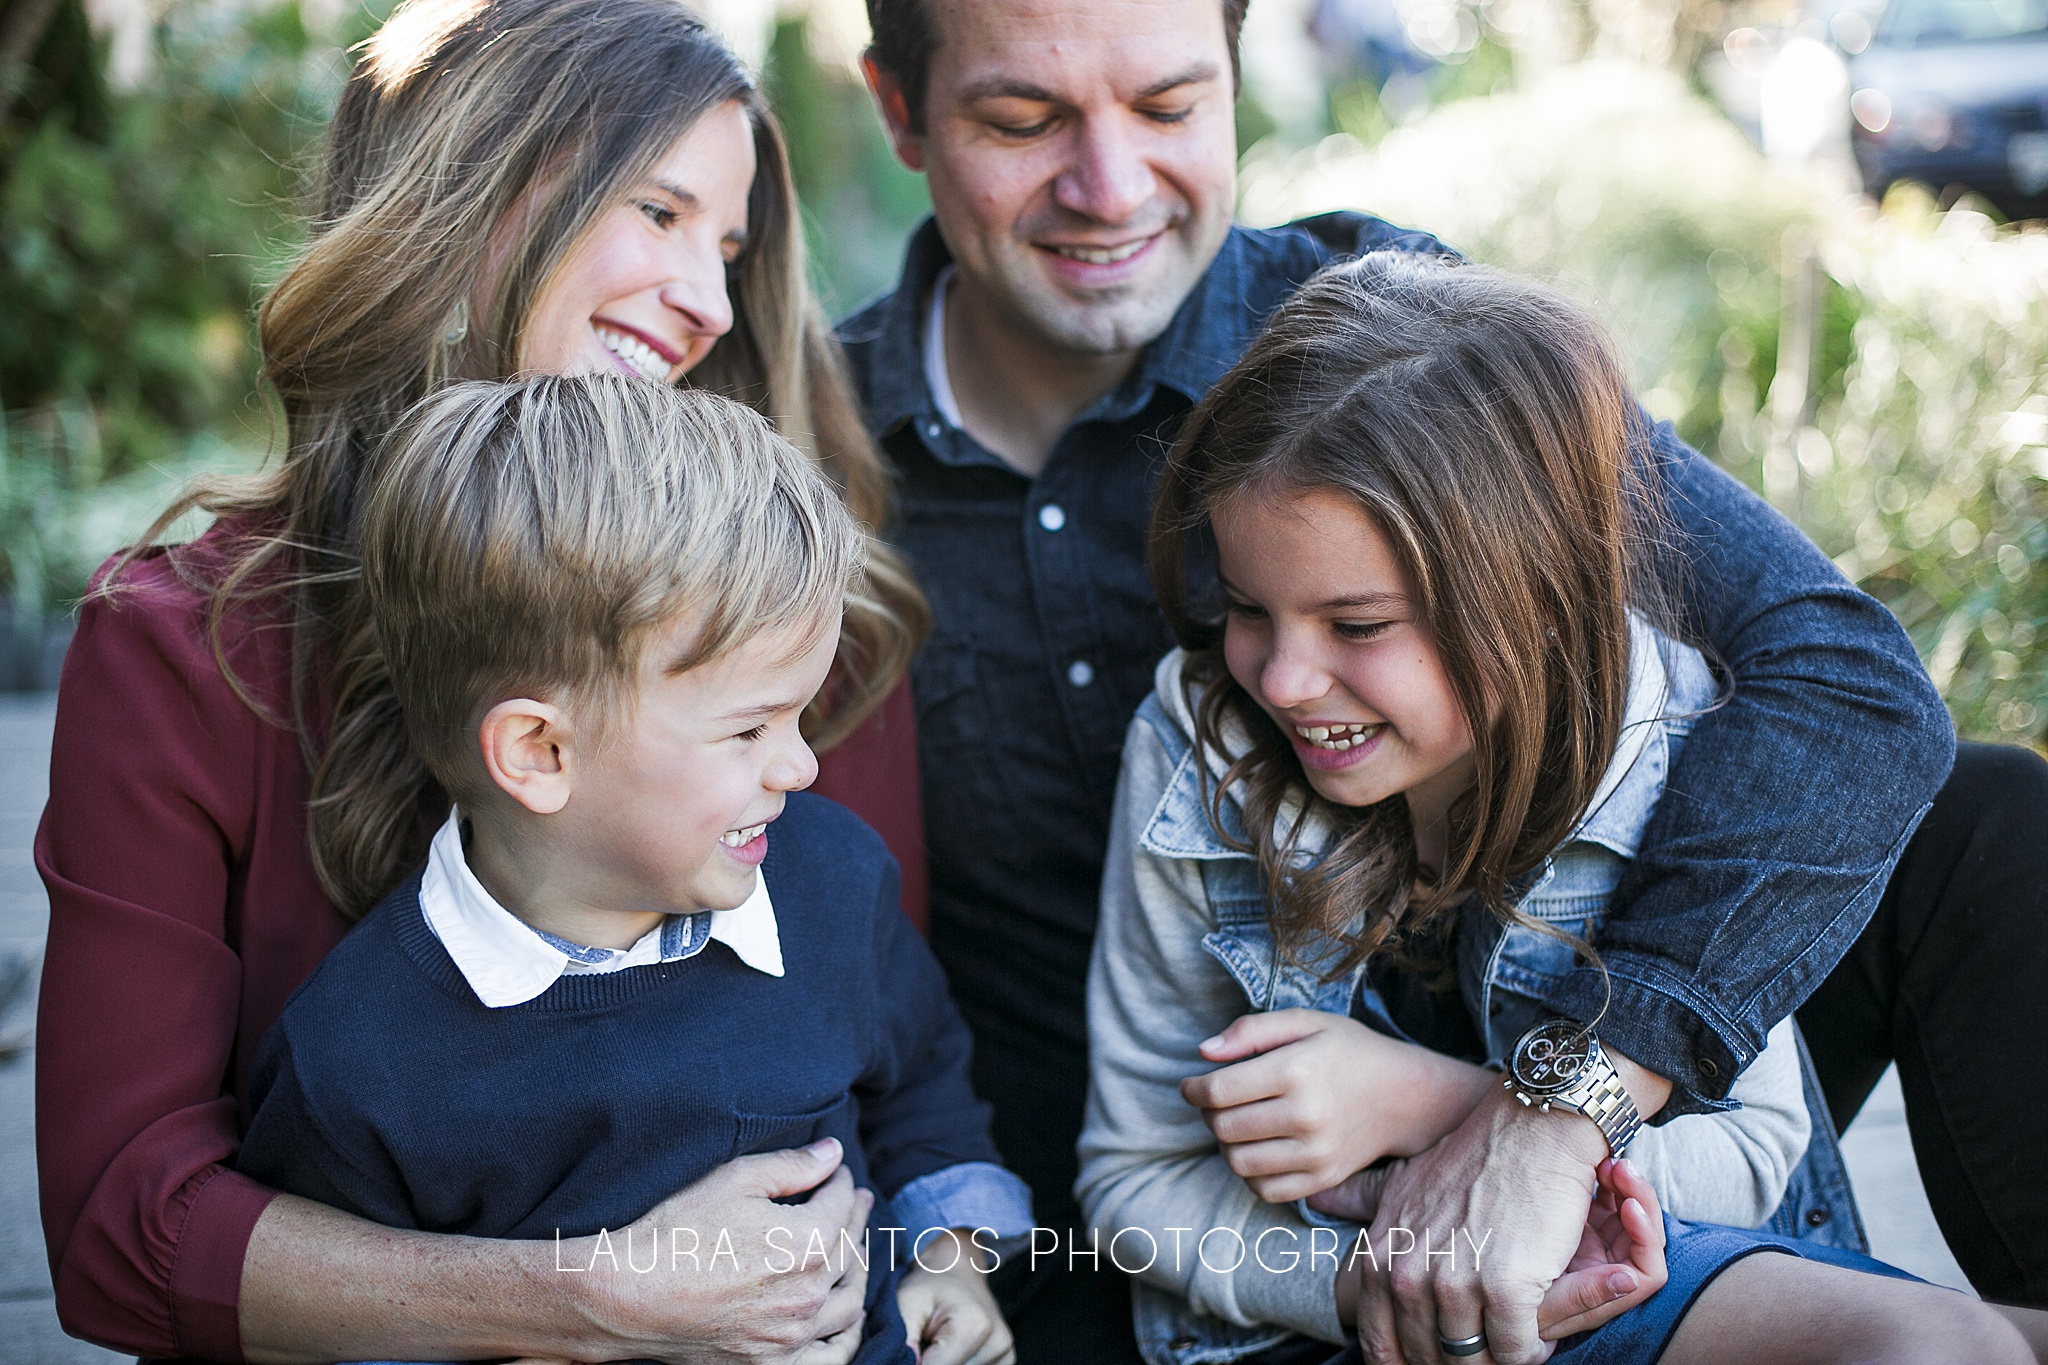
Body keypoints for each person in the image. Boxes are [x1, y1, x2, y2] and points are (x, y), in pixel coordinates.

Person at [835, 0, 2048, 1353]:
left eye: (1173, 106)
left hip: (1565, 1034)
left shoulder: (1400, 352)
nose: (1111, 185)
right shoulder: (808, 453)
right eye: (1022, 120)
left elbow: (1848, 679)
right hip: (1206, 1163)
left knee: (1994, 827)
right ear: (899, 109)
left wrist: (1529, 1115)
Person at [36, 2, 937, 1361]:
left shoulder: (806, 645)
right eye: (658, 211)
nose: (707, 300)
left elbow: (884, 1053)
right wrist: (586, 1296)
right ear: (467, 195)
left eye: (732, 251)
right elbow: (124, 1230)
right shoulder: (183, 647)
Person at [1081, 252, 2040, 1365]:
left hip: (1638, 1254)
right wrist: (1393, 1283)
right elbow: (1131, 1182)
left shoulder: (1672, 743)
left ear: (1534, 599)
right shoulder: (1198, 749)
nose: (1285, 679)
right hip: (1349, 1318)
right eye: (1248, 608)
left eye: (1355, 627)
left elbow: (1753, 1152)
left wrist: (1431, 1103)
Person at [234, 374, 1024, 1365]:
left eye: (798, 716)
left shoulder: (827, 882)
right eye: (747, 728)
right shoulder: (355, 1064)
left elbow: (918, 1083)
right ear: (539, 753)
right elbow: (352, 1331)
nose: (802, 766)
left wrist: (949, 1264)